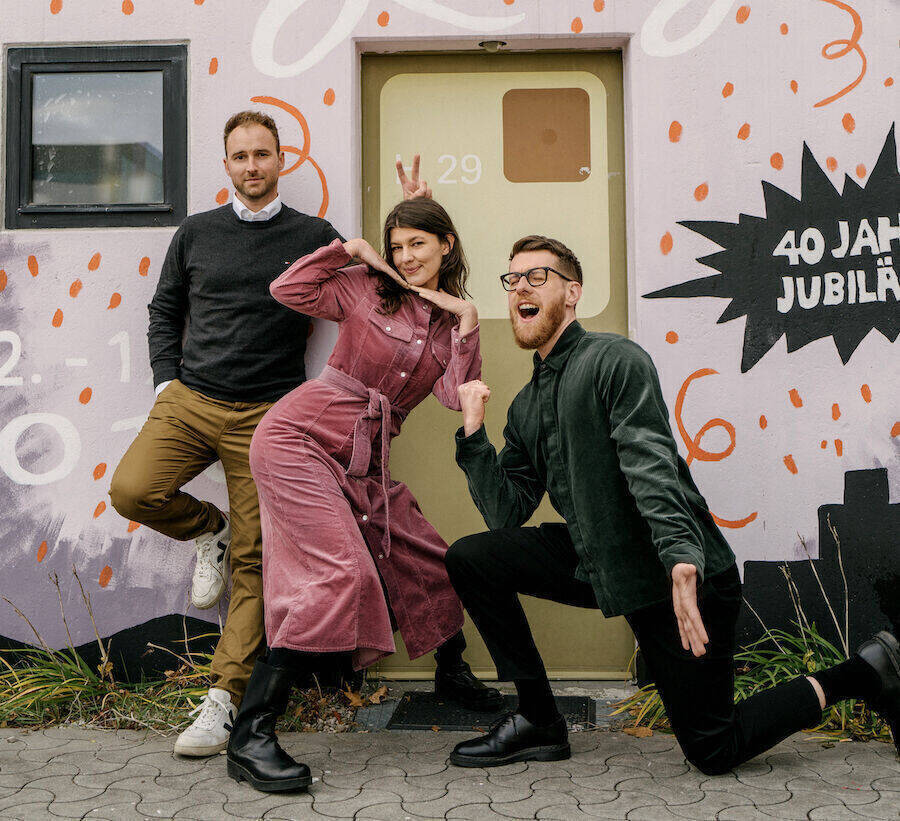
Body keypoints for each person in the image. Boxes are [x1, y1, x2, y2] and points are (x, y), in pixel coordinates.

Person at [444, 234, 900, 772]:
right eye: (512, 279)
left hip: (675, 573)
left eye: (536, 276)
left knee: (713, 749)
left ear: (573, 293)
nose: (521, 287)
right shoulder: (525, 406)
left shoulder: (614, 360)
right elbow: (506, 513)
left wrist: (683, 558)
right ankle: (538, 718)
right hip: (602, 563)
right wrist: (474, 435)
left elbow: (649, 463)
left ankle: (866, 671)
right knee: (473, 557)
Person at [225, 195, 504, 793]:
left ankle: (451, 673)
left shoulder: (452, 320)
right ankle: (251, 735)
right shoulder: (365, 288)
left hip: (365, 462)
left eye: (418, 245)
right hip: (299, 438)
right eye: (397, 246)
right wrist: (348, 251)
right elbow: (289, 290)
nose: (405, 257)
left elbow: (456, 396)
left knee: (429, 556)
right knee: (338, 574)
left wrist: (470, 322)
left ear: (446, 245)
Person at [109, 111, 344, 757]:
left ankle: (222, 700)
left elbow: (364, 301)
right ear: (227, 163)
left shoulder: (316, 236)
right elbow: (165, 311)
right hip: (192, 398)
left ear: (281, 160)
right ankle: (208, 527)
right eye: (239, 155)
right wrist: (165, 383)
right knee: (133, 490)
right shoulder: (198, 232)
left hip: (269, 413)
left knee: (256, 563)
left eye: (262, 154)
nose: (251, 165)